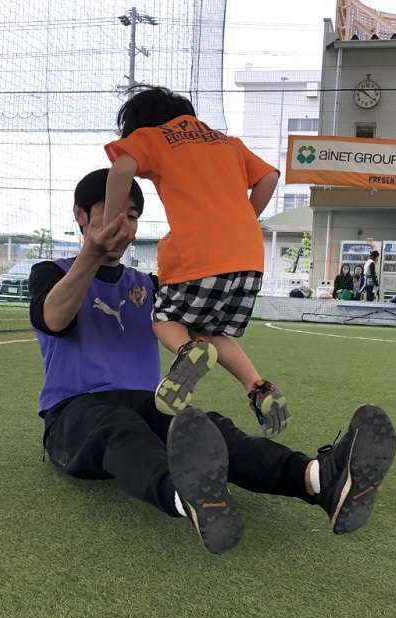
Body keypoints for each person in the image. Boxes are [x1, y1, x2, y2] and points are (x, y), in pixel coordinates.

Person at [29, 168, 396, 554]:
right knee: (119, 428)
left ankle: (319, 479)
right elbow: (54, 319)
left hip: (147, 402)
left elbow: (209, 335)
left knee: (210, 431)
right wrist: (91, 253)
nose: (121, 225)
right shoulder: (51, 273)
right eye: (110, 213)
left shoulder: (149, 285)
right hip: (74, 413)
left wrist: (255, 384)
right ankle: (185, 497)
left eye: (132, 216)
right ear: (80, 214)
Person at [102, 86, 288, 436]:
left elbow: (121, 168)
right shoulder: (227, 142)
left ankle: (187, 351)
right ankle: (257, 387)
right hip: (249, 258)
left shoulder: (155, 136)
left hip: (198, 255)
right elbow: (269, 177)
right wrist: (242, 222)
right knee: (211, 330)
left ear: (142, 125)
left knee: (163, 319)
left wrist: (109, 227)